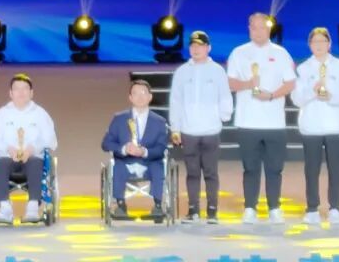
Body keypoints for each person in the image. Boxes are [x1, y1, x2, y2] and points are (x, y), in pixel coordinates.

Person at [227, 12, 297, 225]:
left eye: (262, 27)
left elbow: (290, 83)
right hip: (247, 122)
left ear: (269, 29)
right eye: (254, 27)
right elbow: (230, 83)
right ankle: (250, 208)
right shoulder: (239, 53)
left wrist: (271, 95)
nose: (258, 31)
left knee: (275, 168)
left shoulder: (281, 53)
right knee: (250, 168)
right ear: (249, 29)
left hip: (274, 123)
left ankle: (274, 207)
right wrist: (248, 84)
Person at [290, 27, 339, 226]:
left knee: (335, 170)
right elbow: (296, 98)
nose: (319, 45)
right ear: (310, 45)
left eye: (322, 41)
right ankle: (312, 209)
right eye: (315, 42)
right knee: (311, 170)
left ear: (329, 44)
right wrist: (313, 92)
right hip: (311, 127)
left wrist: (331, 97)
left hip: (335, 127)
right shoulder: (303, 69)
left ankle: (335, 208)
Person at [168, 30, 233, 224]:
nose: (196, 49)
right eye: (193, 46)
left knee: (211, 173)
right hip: (189, 131)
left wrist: (224, 116)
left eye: (200, 46)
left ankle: (212, 211)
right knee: (192, 173)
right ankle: (193, 210)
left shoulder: (217, 71)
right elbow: (176, 101)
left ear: (208, 48)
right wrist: (175, 128)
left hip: (211, 130)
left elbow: (225, 96)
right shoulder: (182, 72)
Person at [0, 73, 58, 224]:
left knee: (36, 162)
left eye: (25, 89)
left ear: (31, 93)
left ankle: (32, 207)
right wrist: (7, 149)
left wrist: (32, 149)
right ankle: (4, 207)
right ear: (10, 93)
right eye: (17, 89)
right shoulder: (2, 114)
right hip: (7, 158)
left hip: (32, 158)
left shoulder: (40, 114)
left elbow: (50, 139)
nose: (21, 93)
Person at [102, 79, 169, 220]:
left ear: (150, 97)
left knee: (158, 166)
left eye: (143, 93)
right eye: (136, 93)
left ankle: (157, 206)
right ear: (130, 97)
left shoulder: (159, 122)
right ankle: (120, 205)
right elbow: (106, 143)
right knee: (117, 167)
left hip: (149, 161)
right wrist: (124, 149)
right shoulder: (119, 119)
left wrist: (144, 152)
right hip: (125, 160)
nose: (140, 97)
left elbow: (161, 147)